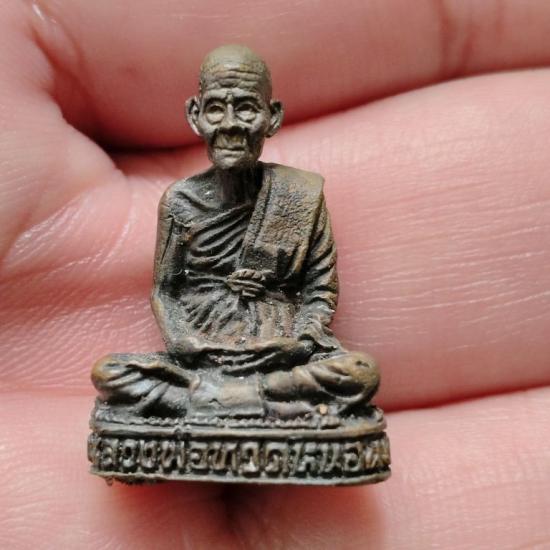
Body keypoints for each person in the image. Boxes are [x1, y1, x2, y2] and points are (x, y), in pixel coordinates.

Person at [91, 45, 380, 419]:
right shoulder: (180, 202)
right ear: (195, 116)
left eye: (246, 108)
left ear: (272, 117)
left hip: (278, 354)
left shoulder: (299, 195)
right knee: (110, 373)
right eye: (215, 109)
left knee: (359, 372)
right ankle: (264, 405)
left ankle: (208, 403)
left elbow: (319, 291)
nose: (230, 124)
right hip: (201, 356)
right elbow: (165, 289)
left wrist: (300, 342)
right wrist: (181, 341)